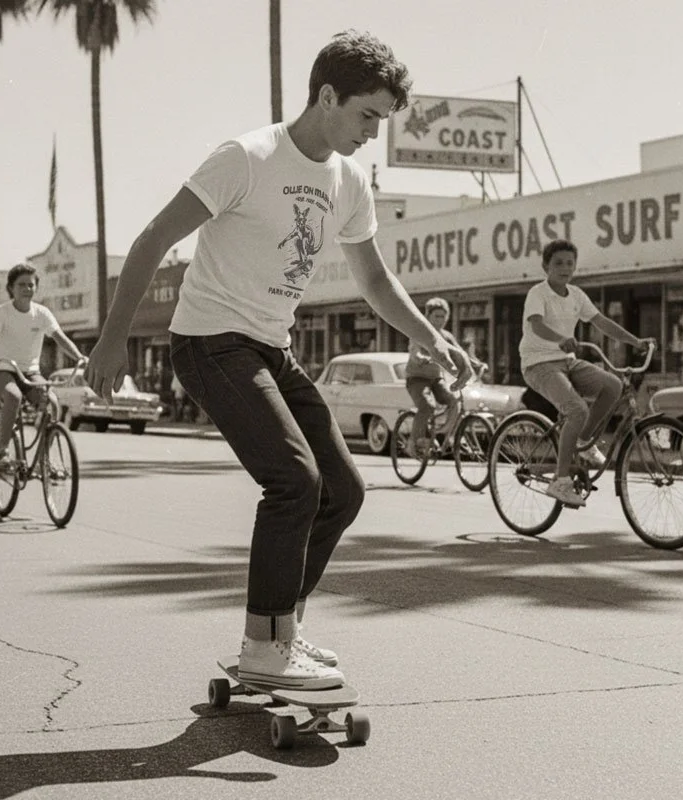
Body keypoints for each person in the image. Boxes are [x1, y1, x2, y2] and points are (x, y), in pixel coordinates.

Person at [85, 30, 472, 690]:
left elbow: (375, 282)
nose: (372, 135)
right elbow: (154, 238)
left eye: (382, 121)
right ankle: (265, 644)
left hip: (271, 346)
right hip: (209, 341)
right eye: (366, 116)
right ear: (327, 96)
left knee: (343, 490)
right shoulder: (248, 156)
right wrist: (113, 339)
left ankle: (277, 633)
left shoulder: (348, 182)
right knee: (295, 480)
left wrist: (428, 337)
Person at [519, 239, 652, 508]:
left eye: (570, 263)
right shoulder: (538, 293)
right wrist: (560, 339)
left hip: (566, 361)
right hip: (538, 364)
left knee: (612, 386)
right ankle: (560, 480)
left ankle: (583, 440)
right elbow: (536, 325)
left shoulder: (577, 295)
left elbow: (601, 322)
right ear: (546, 266)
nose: (565, 268)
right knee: (577, 409)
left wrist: (635, 341)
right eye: (558, 263)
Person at [0, 263, 87, 466]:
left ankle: (44, 460)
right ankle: (1, 452)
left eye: (31, 285)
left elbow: (60, 338)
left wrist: (79, 357)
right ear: (11, 288)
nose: (27, 289)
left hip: (30, 373)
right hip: (3, 368)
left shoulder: (42, 313)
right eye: (21, 285)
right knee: (13, 396)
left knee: (52, 402)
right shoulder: (1, 312)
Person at [405, 297, 484, 456]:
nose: (441, 320)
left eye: (444, 316)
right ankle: (413, 443)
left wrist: (476, 364)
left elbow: (459, 353)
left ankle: (447, 435)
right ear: (427, 316)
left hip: (436, 379)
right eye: (437, 316)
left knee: (454, 400)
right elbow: (415, 351)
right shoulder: (420, 332)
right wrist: (420, 358)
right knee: (427, 405)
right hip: (417, 379)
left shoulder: (446, 336)